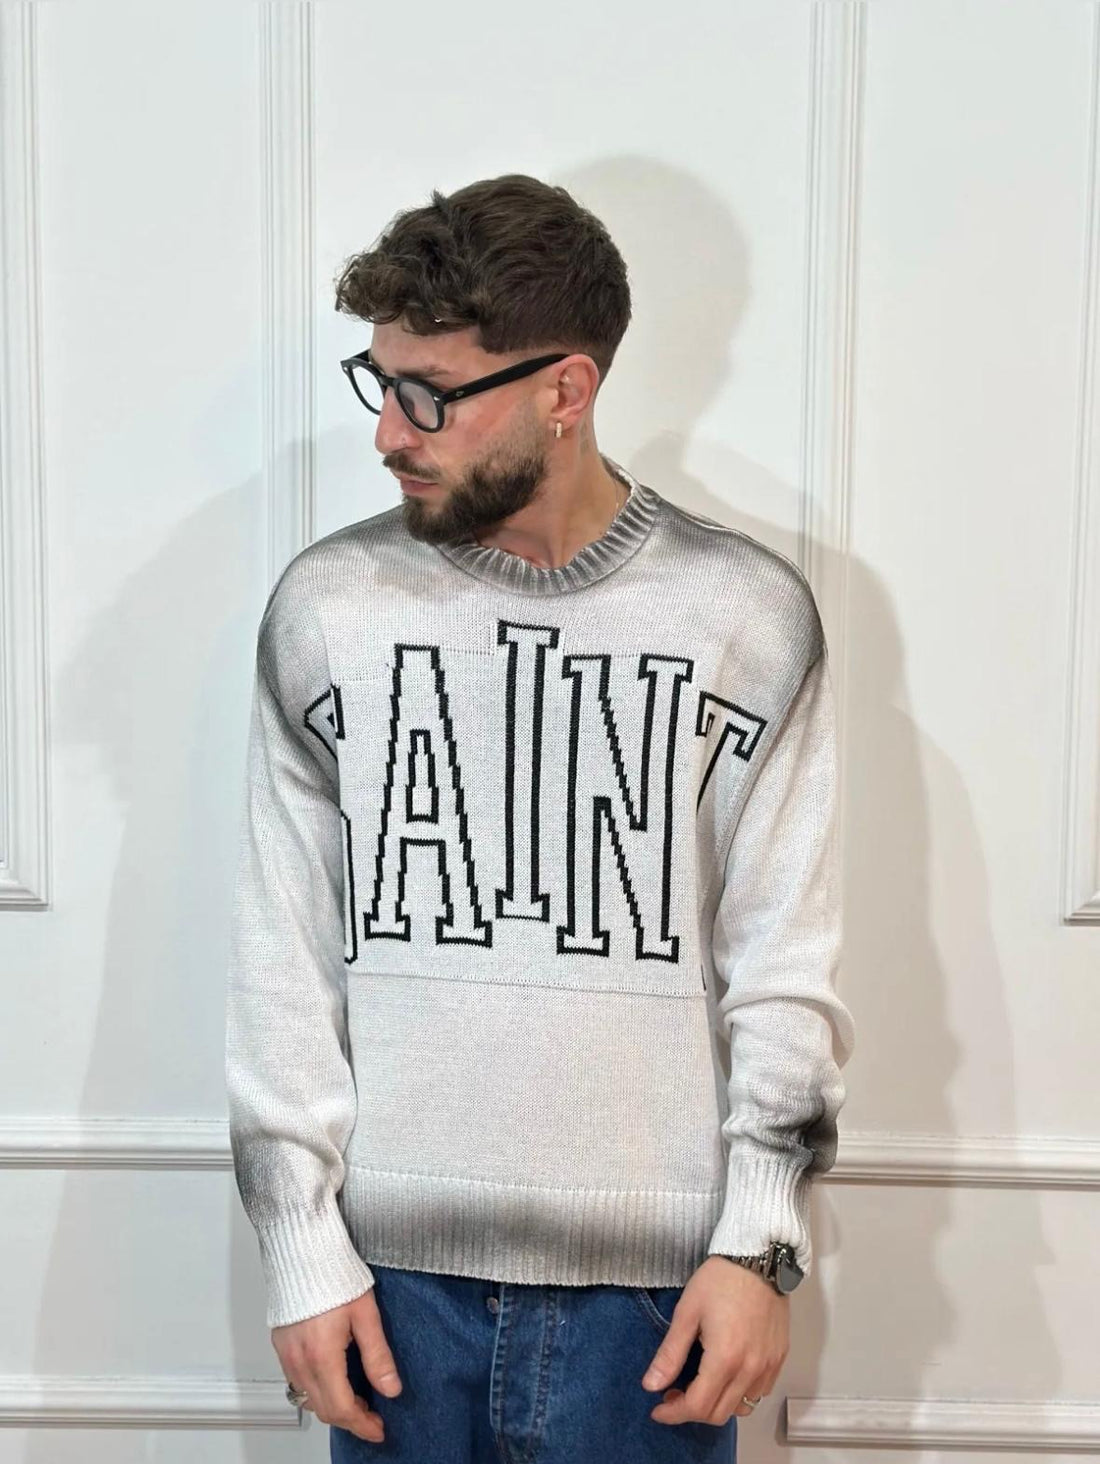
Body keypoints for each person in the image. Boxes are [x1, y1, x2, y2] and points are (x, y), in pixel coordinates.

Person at [224, 173, 856, 1463]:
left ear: (566, 391)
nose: (389, 432)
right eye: (380, 382)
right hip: (389, 1296)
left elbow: (784, 960)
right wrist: (299, 1248)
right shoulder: (331, 609)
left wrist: (760, 1244)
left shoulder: (745, 617)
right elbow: (283, 955)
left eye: (431, 395)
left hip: (657, 1307)